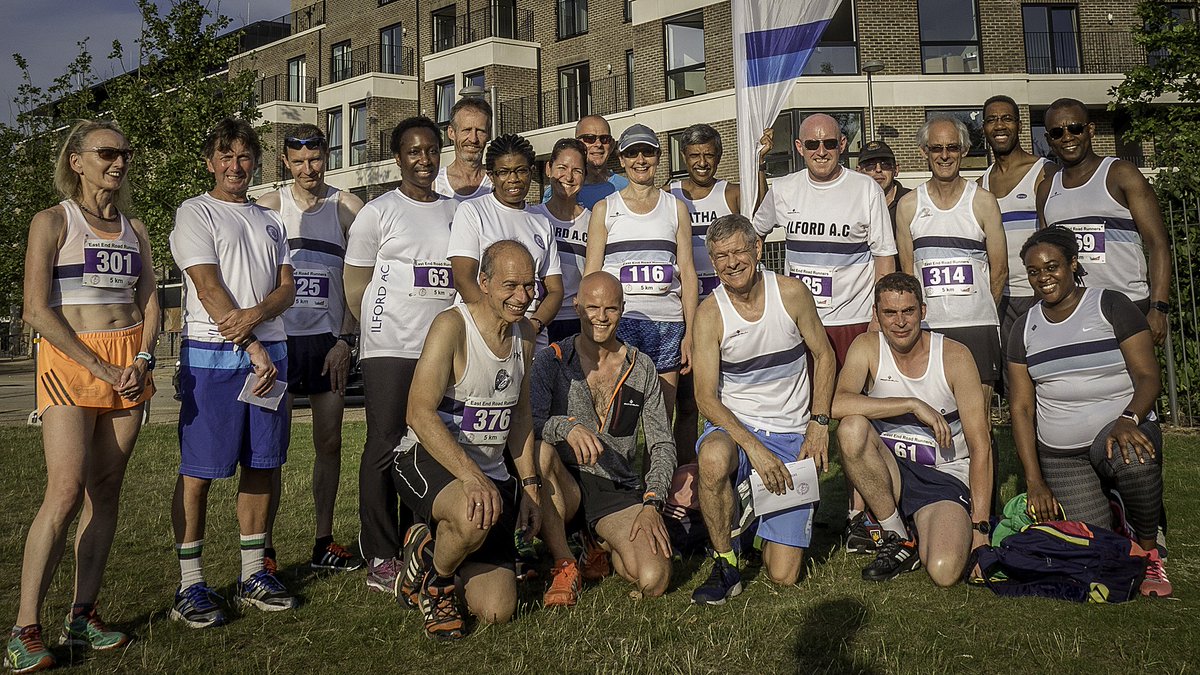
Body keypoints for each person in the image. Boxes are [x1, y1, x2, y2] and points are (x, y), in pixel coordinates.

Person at [8, 121, 158, 671]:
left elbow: (149, 304)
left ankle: (82, 615)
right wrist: (98, 364)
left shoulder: (136, 229)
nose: (118, 162)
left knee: (107, 489)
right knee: (66, 491)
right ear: (76, 160)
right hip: (72, 361)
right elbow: (35, 310)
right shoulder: (51, 221)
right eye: (107, 152)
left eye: (125, 152)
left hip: (128, 364)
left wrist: (140, 361)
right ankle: (25, 627)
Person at [168, 118, 297, 629]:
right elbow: (208, 287)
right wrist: (250, 345)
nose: (235, 166)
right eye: (225, 156)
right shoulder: (194, 212)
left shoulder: (269, 220)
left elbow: (286, 288)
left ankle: (252, 573)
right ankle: (190, 584)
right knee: (199, 471)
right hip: (214, 357)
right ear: (209, 161)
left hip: (273, 354)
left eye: (244, 157)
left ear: (255, 163)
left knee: (262, 463)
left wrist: (260, 325)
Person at [751, 112, 896, 551]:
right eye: (811, 145)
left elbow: (884, 258)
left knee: (853, 419)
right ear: (798, 148)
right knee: (802, 420)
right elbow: (751, 237)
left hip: (852, 322)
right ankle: (798, 513)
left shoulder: (865, 189)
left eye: (829, 144)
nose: (820, 152)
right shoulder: (784, 189)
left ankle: (858, 515)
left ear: (843, 145)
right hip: (802, 329)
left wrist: (876, 323)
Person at [1007, 226, 1170, 597]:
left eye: (1052, 267)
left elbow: (1148, 377)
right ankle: (1115, 513)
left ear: (1073, 264)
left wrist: (1128, 419)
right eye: (1034, 272)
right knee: (1096, 553)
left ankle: (1149, 550)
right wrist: (1035, 481)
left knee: (1136, 461)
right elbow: (1020, 408)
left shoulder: (1110, 305)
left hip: (1119, 431)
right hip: (1063, 456)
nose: (1043, 278)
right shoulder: (1023, 328)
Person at [397, 240, 543, 640]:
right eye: (510, 286)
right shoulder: (452, 325)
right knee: (472, 511)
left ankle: (427, 549)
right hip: (427, 456)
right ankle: (437, 583)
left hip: (488, 475)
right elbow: (418, 413)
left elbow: (521, 416)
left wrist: (529, 488)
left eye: (530, 287)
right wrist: (471, 476)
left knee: (497, 610)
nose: (522, 297)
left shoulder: (525, 334)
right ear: (483, 281)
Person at [690, 214, 836, 603]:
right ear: (712, 262)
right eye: (721, 256)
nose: (731, 262)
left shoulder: (791, 293)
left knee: (783, 575)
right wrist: (754, 448)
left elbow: (824, 355)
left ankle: (749, 515)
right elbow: (705, 397)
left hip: (790, 433)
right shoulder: (709, 313)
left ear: (758, 249)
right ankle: (725, 563)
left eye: (739, 250)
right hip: (738, 430)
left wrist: (819, 423)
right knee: (714, 457)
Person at [343, 116, 458, 598]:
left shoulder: (457, 211)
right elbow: (355, 285)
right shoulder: (378, 211)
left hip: (439, 347)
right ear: (399, 158)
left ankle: (421, 540)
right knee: (386, 442)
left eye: (431, 150)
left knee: (430, 443)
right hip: (389, 346)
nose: (424, 159)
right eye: (414, 151)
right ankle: (381, 553)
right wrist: (378, 327)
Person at [833, 272, 993, 586]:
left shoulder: (955, 356)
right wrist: (910, 403)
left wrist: (980, 529)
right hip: (888, 472)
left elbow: (981, 446)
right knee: (851, 428)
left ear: (923, 310)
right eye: (890, 313)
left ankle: (916, 527)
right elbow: (837, 404)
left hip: (942, 478)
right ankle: (898, 538)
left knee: (945, 571)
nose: (900, 321)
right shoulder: (867, 346)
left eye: (908, 311)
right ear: (876, 315)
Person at [256, 124, 364, 573]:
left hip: (326, 344)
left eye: (315, 160)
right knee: (270, 449)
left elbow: (366, 275)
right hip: (279, 341)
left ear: (327, 156)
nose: (308, 169)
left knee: (330, 442)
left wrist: (346, 338)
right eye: (298, 162)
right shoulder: (268, 207)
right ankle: (262, 549)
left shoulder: (347, 207)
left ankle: (323, 541)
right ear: (285, 161)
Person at [532, 271, 677, 606]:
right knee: (540, 453)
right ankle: (565, 561)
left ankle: (596, 541)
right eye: (592, 307)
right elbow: (531, 424)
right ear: (577, 306)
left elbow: (662, 443)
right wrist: (566, 427)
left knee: (652, 579)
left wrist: (653, 501)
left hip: (614, 486)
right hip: (562, 482)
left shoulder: (641, 367)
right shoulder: (551, 360)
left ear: (622, 309)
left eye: (610, 308)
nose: (601, 317)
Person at [584, 124, 698, 441]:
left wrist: (690, 332)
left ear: (658, 157)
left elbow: (687, 272)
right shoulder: (604, 210)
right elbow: (591, 275)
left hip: (667, 324)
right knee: (617, 419)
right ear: (621, 160)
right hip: (622, 325)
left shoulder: (675, 208)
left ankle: (656, 488)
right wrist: (591, 328)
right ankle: (619, 490)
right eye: (632, 153)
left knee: (661, 421)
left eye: (647, 152)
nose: (640, 159)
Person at [1036, 97, 1170, 345]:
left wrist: (1158, 308)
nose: (1067, 136)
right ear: (1048, 140)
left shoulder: (1121, 173)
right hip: (1074, 310)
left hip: (1128, 305)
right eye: (1057, 132)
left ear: (1090, 129)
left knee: (1139, 383)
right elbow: (1045, 259)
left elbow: (1158, 243)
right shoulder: (1046, 189)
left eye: (1075, 128)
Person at [896, 115, 1006, 403]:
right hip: (929, 327)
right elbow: (908, 276)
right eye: (937, 148)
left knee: (979, 422)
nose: (945, 156)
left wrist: (977, 310)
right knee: (934, 414)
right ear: (924, 152)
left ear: (964, 150)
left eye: (952, 148)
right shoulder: (908, 206)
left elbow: (1000, 270)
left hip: (977, 328)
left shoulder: (983, 201)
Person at [666, 123, 753, 465]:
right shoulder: (669, 194)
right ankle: (686, 471)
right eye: (694, 155)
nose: (702, 162)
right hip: (687, 308)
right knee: (687, 403)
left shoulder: (730, 193)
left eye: (709, 155)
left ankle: (731, 465)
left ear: (719, 158)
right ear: (683, 157)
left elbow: (757, 202)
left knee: (727, 397)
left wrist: (757, 157)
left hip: (726, 309)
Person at [449, 133, 564, 352]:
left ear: (531, 172)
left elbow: (555, 290)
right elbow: (464, 279)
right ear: (491, 175)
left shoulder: (541, 222)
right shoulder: (472, 211)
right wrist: (496, 325)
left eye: (521, 170)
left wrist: (534, 325)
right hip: (482, 332)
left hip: (530, 338)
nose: (513, 179)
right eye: (503, 172)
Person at [978, 95, 1052, 359]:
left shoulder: (1044, 172)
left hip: (1037, 294)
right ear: (984, 128)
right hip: (1001, 297)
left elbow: (1055, 238)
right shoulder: (981, 183)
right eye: (992, 120)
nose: (999, 126)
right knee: (1012, 382)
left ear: (1019, 125)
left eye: (1007, 118)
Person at [534, 138, 591, 344]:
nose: (568, 176)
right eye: (562, 167)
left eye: (577, 170)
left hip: (576, 320)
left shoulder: (593, 221)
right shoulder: (532, 216)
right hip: (539, 318)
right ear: (549, 169)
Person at [543, 114, 629, 209]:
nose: (598, 144)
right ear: (578, 144)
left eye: (604, 139)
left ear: (612, 145)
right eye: (589, 138)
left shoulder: (626, 187)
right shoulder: (561, 188)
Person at [433, 97, 493, 202]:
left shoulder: (495, 183)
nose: (473, 139)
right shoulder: (434, 183)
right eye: (467, 130)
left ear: (488, 134)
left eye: (480, 131)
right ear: (451, 133)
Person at [857, 140, 910, 234]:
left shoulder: (914, 201)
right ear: (859, 171)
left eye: (885, 164)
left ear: (896, 169)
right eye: (870, 165)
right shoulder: (853, 205)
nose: (878, 170)